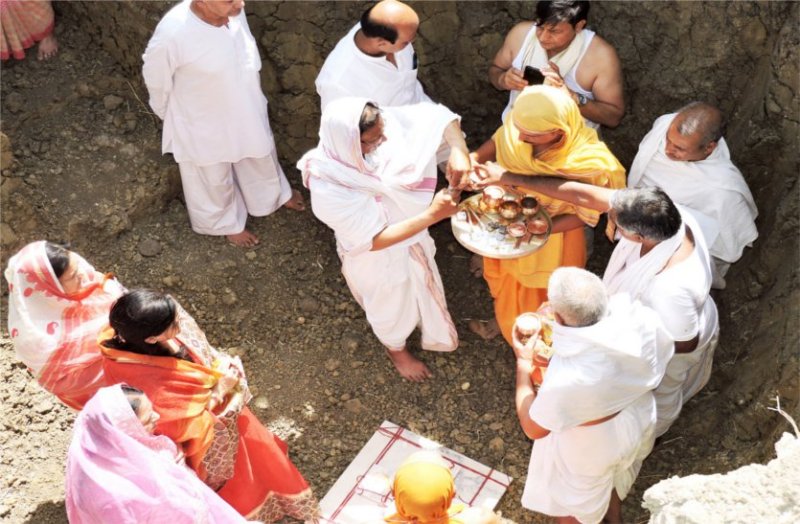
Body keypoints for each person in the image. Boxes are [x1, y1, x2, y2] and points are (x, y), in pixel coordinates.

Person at [495, 178, 720, 437]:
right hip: (640, 327)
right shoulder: (662, 214)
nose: (609, 218)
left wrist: (616, 345)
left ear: (638, 237)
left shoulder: (670, 289)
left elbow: (684, 343)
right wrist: (509, 177)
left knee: (657, 400)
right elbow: (584, 196)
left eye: (617, 223)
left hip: (666, 346)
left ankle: (652, 436)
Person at [100, 290, 319, 522]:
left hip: (231, 415)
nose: (180, 324)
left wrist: (219, 367)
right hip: (211, 438)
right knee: (242, 479)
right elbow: (180, 425)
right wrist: (221, 389)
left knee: (261, 454)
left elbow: (199, 350)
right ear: (152, 338)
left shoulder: (132, 330)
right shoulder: (138, 378)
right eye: (172, 324)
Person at [298, 98, 471, 382]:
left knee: (417, 286)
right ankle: (396, 350)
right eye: (373, 139)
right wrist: (433, 215)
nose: (385, 139)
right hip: (377, 260)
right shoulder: (328, 190)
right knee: (390, 307)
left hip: (413, 239)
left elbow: (439, 116)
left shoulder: (378, 127)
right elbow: (374, 241)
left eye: (383, 131)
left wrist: (459, 150)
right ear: (351, 144)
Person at [513, 267, 673, 523]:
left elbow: (533, 428)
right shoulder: (638, 316)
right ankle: (614, 517)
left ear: (559, 318)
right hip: (637, 416)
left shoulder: (570, 378)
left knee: (575, 507)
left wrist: (523, 363)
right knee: (615, 476)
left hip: (592, 446)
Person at [469, 85, 625, 344]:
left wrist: (537, 230)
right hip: (511, 225)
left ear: (558, 132)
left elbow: (585, 216)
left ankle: (538, 349)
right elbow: (500, 138)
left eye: (530, 135)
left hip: (556, 238)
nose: (518, 138)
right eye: (517, 127)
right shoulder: (520, 125)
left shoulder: (590, 164)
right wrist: (472, 158)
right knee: (507, 283)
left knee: (544, 297)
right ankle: (507, 321)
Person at [142, 0, 304, 248]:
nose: (240, 3)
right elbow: (156, 80)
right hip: (202, 117)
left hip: (245, 103)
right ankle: (225, 223)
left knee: (259, 151)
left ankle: (272, 197)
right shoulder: (172, 34)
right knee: (212, 173)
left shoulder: (233, 12)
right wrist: (174, 116)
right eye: (229, 0)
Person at [65, 384, 248, 523]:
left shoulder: (91, 444)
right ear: (123, 432)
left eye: (152, 410)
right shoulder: (118, 496)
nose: (157, 417)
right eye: (146, 420)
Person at [627, 102, 758, 289]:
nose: (668, 150)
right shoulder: (665, 125)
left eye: (679, 148)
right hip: (635, 224)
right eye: (668, 140)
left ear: (709, 148)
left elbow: (724, 244)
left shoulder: (723, 190)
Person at [5, 241, 124, 410]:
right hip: (114, 394)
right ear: (49, 289)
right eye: (73, 276)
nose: (84, 274)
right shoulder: (36, 340)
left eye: (77, 267)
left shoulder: (85, 280)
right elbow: (64, 383)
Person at [489, 0, 623, 129]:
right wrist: (503, 80)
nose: (542, 37)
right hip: (515, 134)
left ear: (578, 26)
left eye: (554, 31)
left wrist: (571, 96)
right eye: (540, 27)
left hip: (570, 148)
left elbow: (613, 118)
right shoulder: (521, 34)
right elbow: (495, 70)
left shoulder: (600, 56)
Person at [315, 0, 431, 112]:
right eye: (406, 42)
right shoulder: (339, 85)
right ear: (382, 43)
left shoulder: (394, 29)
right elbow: (342, 130)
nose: (412, 41)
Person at [386, 451, 501, 523]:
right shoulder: (475, 518)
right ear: (453, 494)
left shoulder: (383, 520)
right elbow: (492, 518)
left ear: (393, 492)